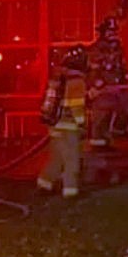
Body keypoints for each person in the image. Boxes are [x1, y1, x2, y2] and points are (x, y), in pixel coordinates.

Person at [37, 46, 89, 198]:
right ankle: (70, 192)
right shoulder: (77, 82)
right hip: (69, 128)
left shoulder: (58, 79)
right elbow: (76, 106)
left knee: (57, 158)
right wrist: (82, 124)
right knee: (72, 161)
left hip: (54, 126)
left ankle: (44, 184)